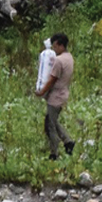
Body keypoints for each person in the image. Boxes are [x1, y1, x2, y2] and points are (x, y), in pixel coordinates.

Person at [35, 32, 76, 160]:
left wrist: (41, 92)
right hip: (63, 93)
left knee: (50, 125)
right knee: (52, 120)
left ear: (60, 45)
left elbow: (52, 80)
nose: (54, 49)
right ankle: (68, 141)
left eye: (55, 46)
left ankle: (54, 153)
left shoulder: (58, 61)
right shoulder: (69, 57)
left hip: (55, 97)